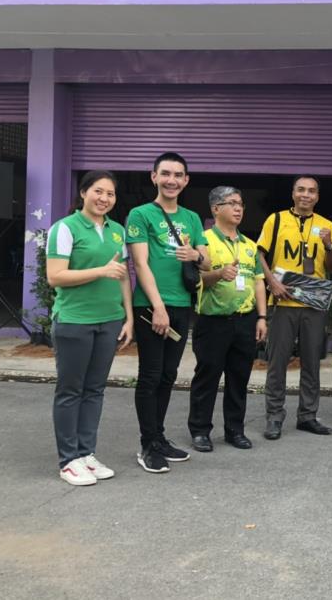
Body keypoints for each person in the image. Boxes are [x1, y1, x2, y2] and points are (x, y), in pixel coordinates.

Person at [46, 171, 134, 486]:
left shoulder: (117, 231)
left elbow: (122, 276)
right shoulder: (65, 228)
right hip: (74, 320)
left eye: (110, 194)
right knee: (70, 390)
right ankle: (68, 460)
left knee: (95, 390)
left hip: (109, 320)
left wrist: (128, 317)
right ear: (83, 192)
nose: (104, 199)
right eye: (98, 191)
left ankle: (86, 453)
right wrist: (101, 270)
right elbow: (55, 276)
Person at [127, 152, 209, 474]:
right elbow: (140, 263)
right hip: (151, 306)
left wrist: (195, 255)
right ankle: (148, 444)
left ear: (186, 180)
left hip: (181, 305)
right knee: (150, 375)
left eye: (178, 175)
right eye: (165, 174)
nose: (171, 180)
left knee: (168, 375)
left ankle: (159, 438)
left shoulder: (192, 217)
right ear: (154, 177)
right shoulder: (140, 214)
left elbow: (206, 259)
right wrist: (158, 306)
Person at [188, 187, 268, 453]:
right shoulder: (204, 241)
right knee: (207, 377)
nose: (238, 208)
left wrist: (262, 317)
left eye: (240, 204)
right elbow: (196, 279)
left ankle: (235, 430)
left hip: (245, 320)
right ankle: (200, 431)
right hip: (213, 321)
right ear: (215, 209)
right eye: (231, 203)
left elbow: (258, 282)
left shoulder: (249, 245)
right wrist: (219, 274)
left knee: (239, 378)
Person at [259, 175, 332, 440]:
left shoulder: (327, 225)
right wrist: (272, 283)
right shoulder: (276, 220)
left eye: (311, 191)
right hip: (283, 301)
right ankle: (274, 416)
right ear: (293, 193)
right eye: (301, 190)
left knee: (312, 362)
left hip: (313, 304)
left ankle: (307, 415)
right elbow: (259, 254)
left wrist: (329, 245)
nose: (306, 195)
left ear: (317, 196)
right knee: (277, 361)